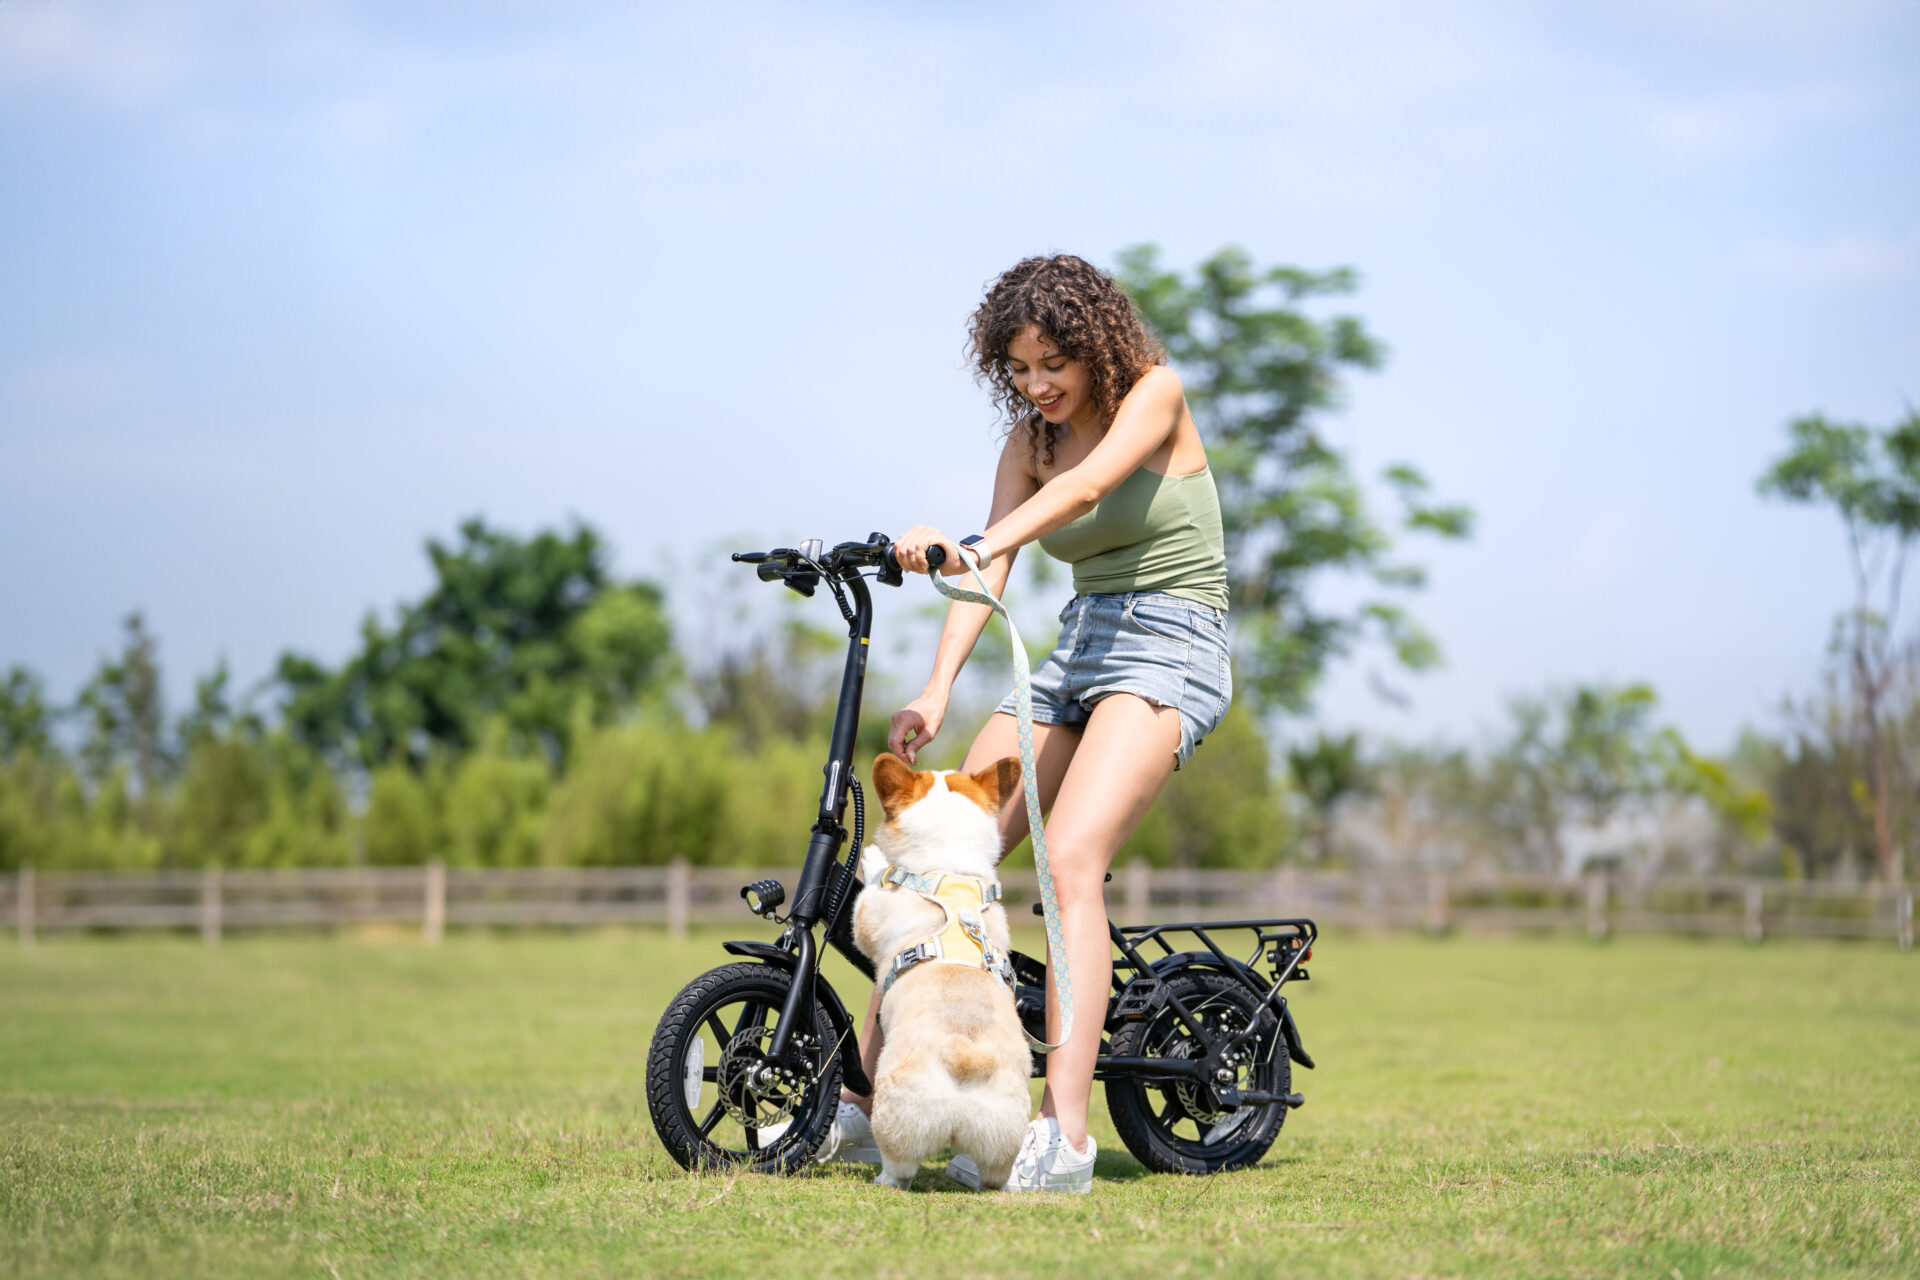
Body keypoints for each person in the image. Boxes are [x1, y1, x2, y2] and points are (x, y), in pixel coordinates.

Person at [823, 253, 1232, 1192]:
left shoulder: (1156, 396)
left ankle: (1064, 1135)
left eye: (1054, 363)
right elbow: (990, 576)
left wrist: (972, 545)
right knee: (939, 858)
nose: (1038, 385)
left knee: (1070, 860)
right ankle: (865, 1099)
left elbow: (1080, 498)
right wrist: (934, 687)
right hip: (1081, 644)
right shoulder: (1028, 442)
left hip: (1173, 645)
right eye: (1018, 367)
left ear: (1096, 346)